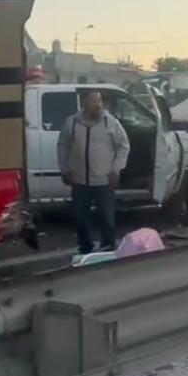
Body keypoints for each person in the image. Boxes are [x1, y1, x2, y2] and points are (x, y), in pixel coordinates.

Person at [57, 90, 131, 254]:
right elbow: (63, 147)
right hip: (79, 180)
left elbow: (124, 146)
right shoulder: (72, 123)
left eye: (99, 101)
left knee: (107, 218)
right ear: (85, 103)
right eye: (93, 101)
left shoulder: (110, 123)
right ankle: (85, 248)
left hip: (103, 180)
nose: (98, 105)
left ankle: (108, 247)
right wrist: (65, 169)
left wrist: (116, 169)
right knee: (81, 219)